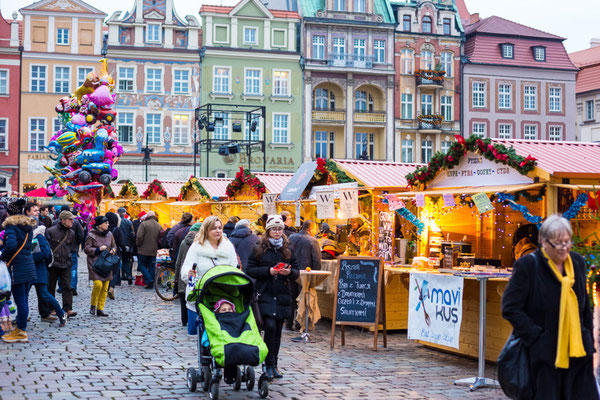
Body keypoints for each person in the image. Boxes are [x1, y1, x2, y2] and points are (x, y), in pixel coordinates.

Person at [502, 215, 599, 399]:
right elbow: (510, 307)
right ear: (544, 242)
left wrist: (588, 336)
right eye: (558, 243)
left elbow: (584, 305)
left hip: (578, 353)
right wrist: (536, 337)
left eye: (567, 242)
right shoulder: (528, 266)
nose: (564, 248)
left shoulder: (576, 262)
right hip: (543, 357)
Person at [246, 215, 299, 380]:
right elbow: (250, 270)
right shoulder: (259, 248)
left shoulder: (288, 248)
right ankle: (267, 364)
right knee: (269, 327)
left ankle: (274, 364)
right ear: (268, 230)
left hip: (282, 293)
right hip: (265, 293)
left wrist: (289, 272)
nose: (277, 232)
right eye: (274, 229)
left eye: (279, 229)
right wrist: (268, 271)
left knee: (277, 331)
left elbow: (297, 270)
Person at [180, 216, 237, 336]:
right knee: (202, 332)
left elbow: (234, 267)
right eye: (213, 228)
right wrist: (189, 274)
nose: (218, 231)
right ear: (206, 230)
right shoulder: (196, 247)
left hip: (223, 294)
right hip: (201, 294)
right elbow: (186, 268)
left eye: (220, 228)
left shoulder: (228, 247)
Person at [0, 212, 38, 343]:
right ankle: (21, 329)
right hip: (28, 266)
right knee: (24, 300)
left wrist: (2, 258)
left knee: (21, 300)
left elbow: (11, 246)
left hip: (17, 269)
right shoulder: (27, 228)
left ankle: (21, 331)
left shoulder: (11, 227)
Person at [30, 225, 67, 327]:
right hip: (28, 271)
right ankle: (21, 317)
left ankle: (61, 313)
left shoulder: (38, 237)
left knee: (44, 294)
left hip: (38, 271)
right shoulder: (25, 236)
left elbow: (45, 253)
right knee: (23, 295)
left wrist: (29, 257)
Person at [288, 220, 321, 330]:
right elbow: (316, 260)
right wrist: (315, 276)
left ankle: (288, 322)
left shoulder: (291, 238)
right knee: (303, 298)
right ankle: (300, 323)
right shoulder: (312, 241)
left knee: (292, 297)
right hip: (305, 273)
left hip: (291, 271)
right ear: (311, 229)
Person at [46, 211, 77, 318]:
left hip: (66, 263)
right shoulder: (50, 231)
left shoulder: (71, 233)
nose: (72, 221)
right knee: (51, 287)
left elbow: (71, 246)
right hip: (53, 264)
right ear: (63, 220)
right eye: (70, 219)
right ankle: (51, 308)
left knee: (67, 287)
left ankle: (68, 308)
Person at [84, 216, 118, 317]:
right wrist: (98, 249)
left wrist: (113, 250)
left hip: (107, 263)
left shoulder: (110, 234)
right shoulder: (91, 235)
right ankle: (93, 305)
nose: (108, 225)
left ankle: (100, 309)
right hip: (95, 263)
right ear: (99, 225)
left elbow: (114, 245)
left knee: (105, 287)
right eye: (106, 223)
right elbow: (86, 249)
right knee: (98, 284)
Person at [174, 222, 202, 326]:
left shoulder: (184, 242)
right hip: (195, 274)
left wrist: (176, 277)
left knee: (183, 297)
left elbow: (179, 260)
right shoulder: (201, 243)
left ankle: (184, 320)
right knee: (194, 297)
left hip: (184, 273)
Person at [135, 211, 162, 289]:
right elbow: (160, 238)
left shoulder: (143, 224)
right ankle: (150, 282)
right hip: (154, 250)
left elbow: (139, 237)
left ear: (148, 216)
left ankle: (149, 280)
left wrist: (138, 245)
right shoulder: (159, 225)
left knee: (141, 265)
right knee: (151, 267)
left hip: (143, 249)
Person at [106, 212, 125, 299]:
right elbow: (121, 243)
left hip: (104, 253)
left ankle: (105, 288)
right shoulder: (117, 230)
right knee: (114, 272)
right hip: (115, 254)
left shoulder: (103, 229)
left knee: (105, 271)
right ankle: (111, 288)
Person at [117, 208, 135, 285]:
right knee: (126, 261)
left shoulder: (117, 222)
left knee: (117, 261)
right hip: (127, 245)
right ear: (125, 213)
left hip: (118, 244)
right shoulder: (129, 222)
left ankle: (118, 278)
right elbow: (132, 234)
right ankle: (129, 276)